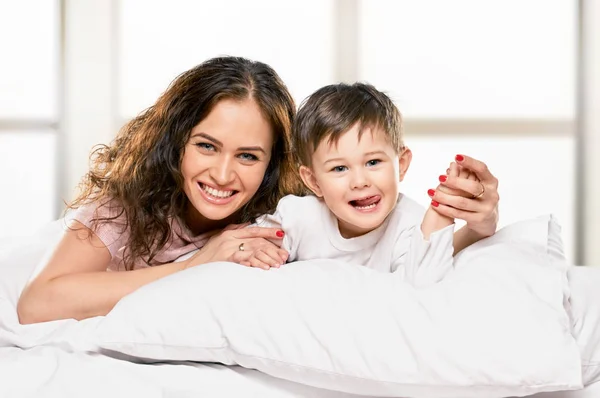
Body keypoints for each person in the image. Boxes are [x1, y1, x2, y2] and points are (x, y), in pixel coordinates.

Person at [17, 56, 301, 323]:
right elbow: (36, 304)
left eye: (247, 156)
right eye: (206, 146)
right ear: (176, 142)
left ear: (272, 164)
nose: (223, 175)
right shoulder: (129, 199)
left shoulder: (284, 216)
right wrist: (193, 266)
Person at [242, 83, 497, 288]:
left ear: (402, 164)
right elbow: (247, 253)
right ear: (313, 181)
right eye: (339, 168)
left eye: (373, 162)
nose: (360, 182)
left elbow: (422, 284)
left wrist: (441, 214)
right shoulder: (297, 216)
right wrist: (258, 252)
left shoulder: (411, 225)